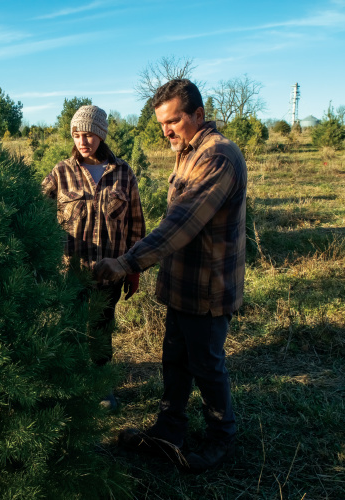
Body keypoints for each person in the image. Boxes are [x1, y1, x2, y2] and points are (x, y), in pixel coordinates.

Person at [93, 79, 247, 471]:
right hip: (182, 284)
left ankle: (221, 438)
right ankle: (168, 428)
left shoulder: (218, 157)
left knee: (207, 365)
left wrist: (127, 262)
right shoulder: (188, 152)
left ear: (198, 114)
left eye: (174, 121)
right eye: (162, 124)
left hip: (207, 287)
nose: (167, 131)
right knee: (174, 358)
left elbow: (181, 222)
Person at [42, 105, 145, 408]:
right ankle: (73, 388)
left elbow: (136, 224)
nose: (82, 140)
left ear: (100, 134)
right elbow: (36, 212)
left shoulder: (123, 173)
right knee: (71, 328)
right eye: (76, 134)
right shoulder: (61, 172)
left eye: (88, 134)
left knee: (101, 329)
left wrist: (134, 269)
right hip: (70, 272)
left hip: (110, 273)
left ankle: (102, 388)